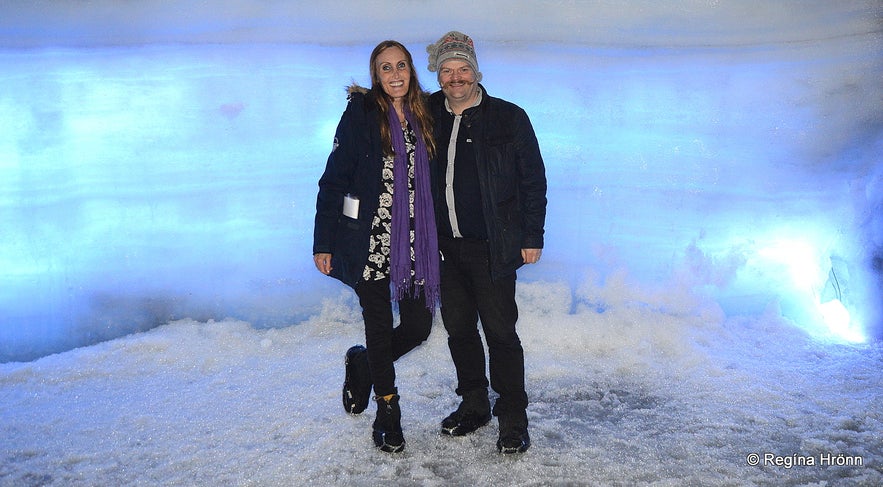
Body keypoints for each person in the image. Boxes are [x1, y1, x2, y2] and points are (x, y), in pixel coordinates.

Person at [313, 40, 439, 454]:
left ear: (412, 70)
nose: (396, 74)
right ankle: (388, 411)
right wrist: (323, 240)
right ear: (376, 75)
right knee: (379, 324)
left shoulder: (427, 111)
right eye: (386, 68)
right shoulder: (360, 115)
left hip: (417, 242)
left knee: (419, 327)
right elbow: (332, 180)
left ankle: (365, 363)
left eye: (402, 65)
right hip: (369, 238)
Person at [425, 31, 547, 454]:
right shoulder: (427, 117)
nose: (456, 77)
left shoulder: (509, 117)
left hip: (493, 247)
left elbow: (533, 181)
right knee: (458, 329)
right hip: (444, 247)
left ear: (477, 72)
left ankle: (512, 417)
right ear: (437, 75)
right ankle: (474, 404)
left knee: (500, 332)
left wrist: (532, 237)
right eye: (447, 70)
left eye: (463, 69)